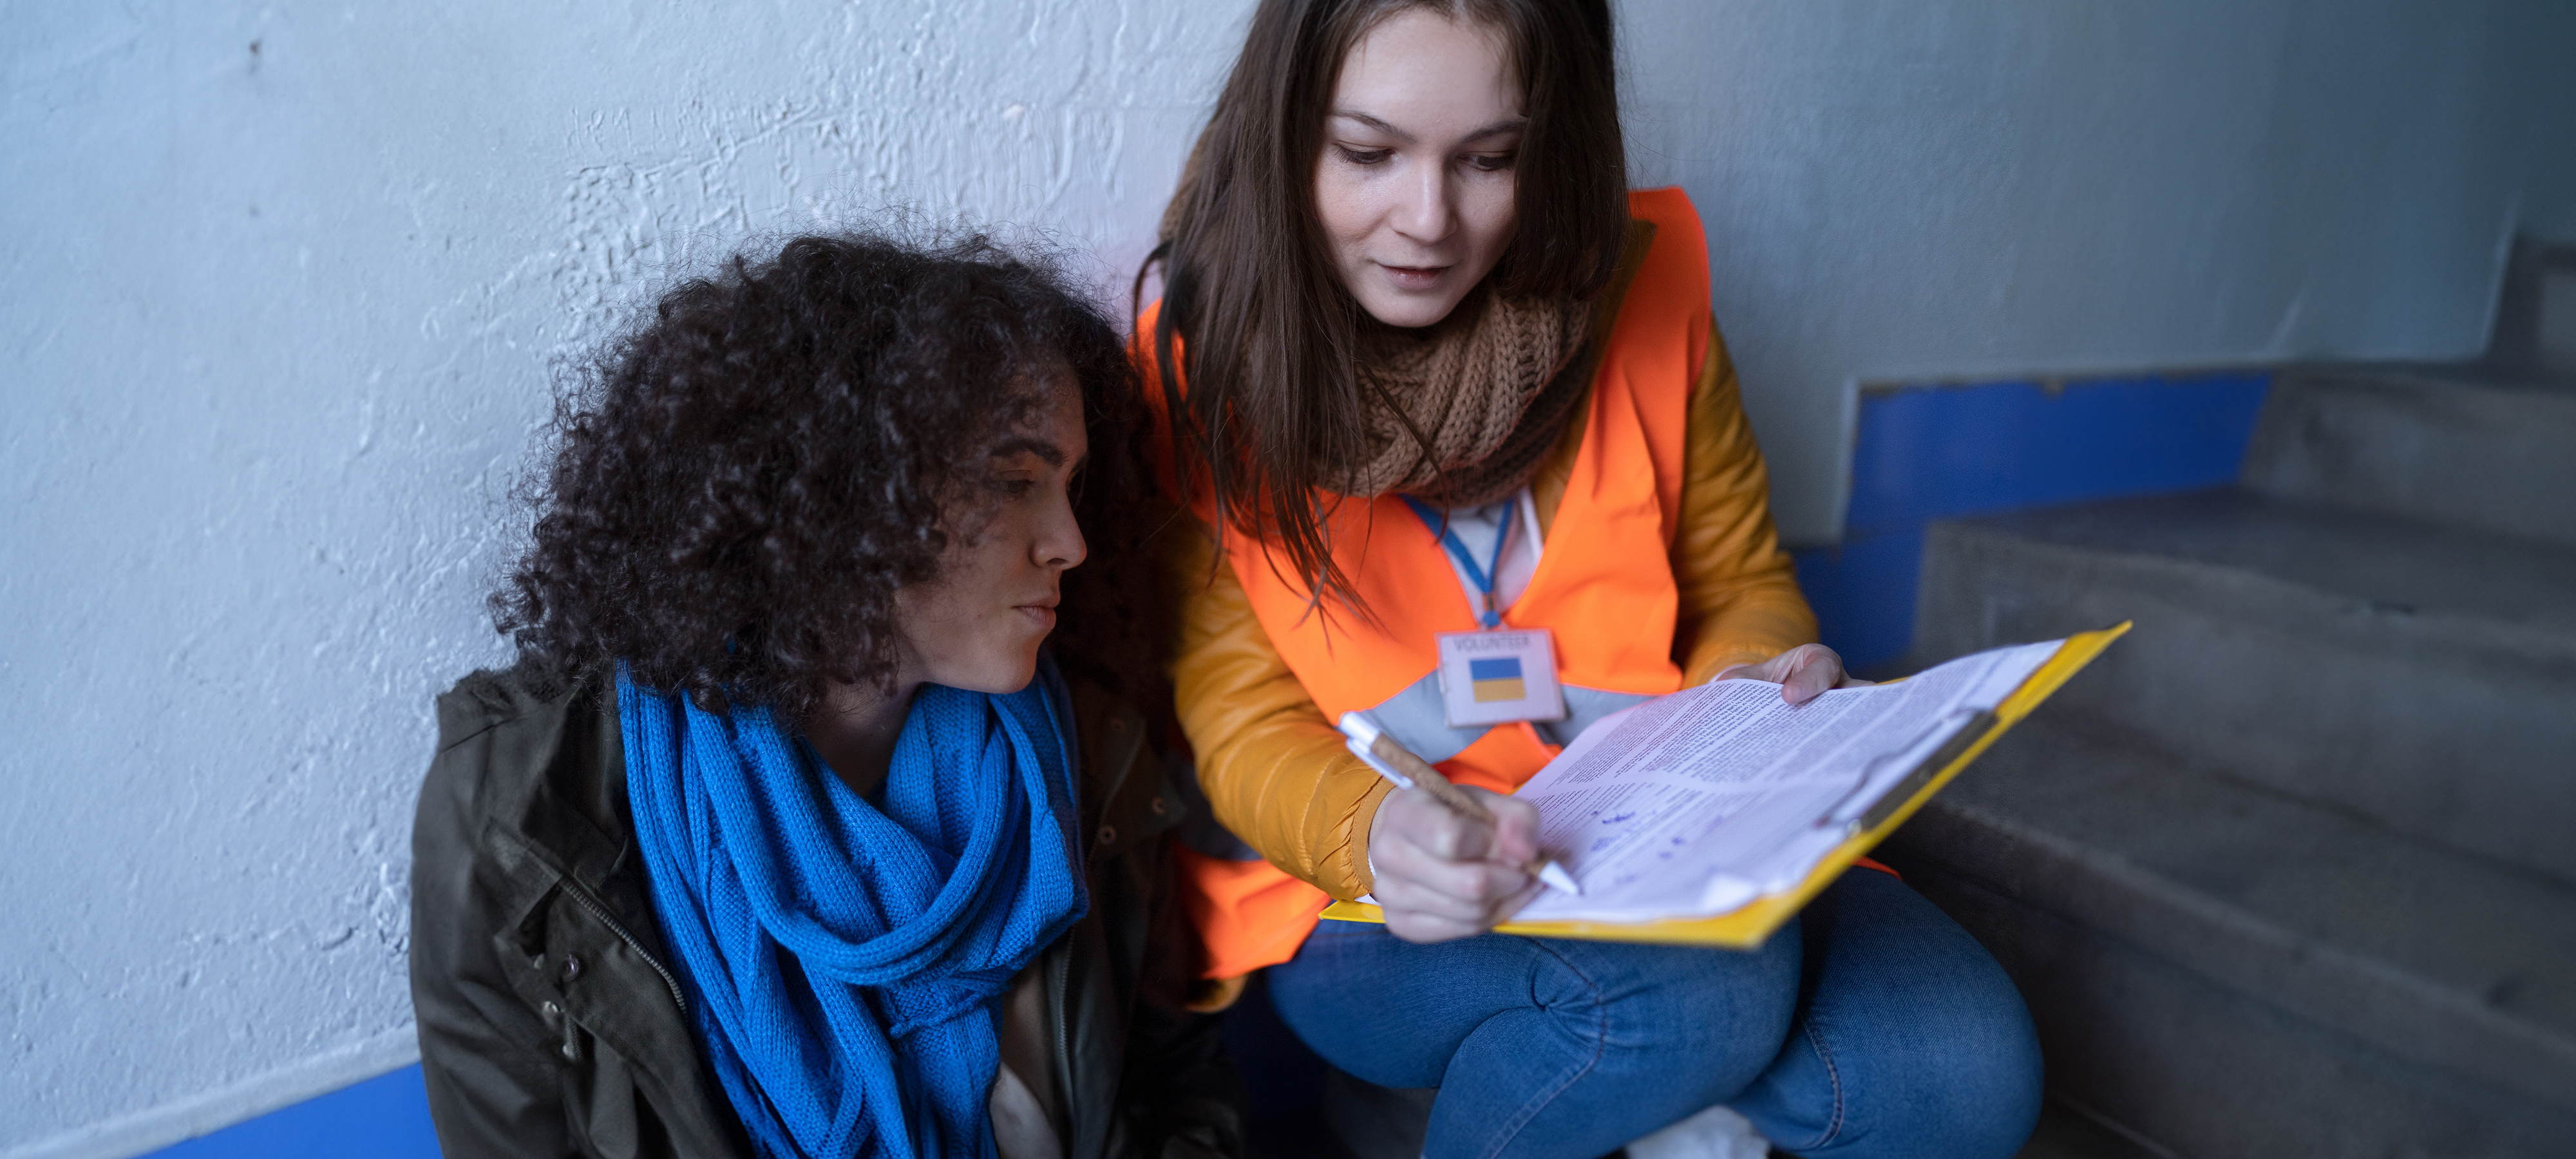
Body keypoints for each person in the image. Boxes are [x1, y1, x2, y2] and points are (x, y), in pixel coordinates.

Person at [1136, 2, 2043, 1156]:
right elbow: (1241, 721)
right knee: (1691, 995)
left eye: (1491, 160)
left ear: (1553, 145)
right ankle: (1594, 1090)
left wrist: (1756, 688)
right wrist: (1382, 837)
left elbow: (1742, 582)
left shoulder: (1643, 295)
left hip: (1678, 840)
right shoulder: (1197, 367)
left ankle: (1592, 1096)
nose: (1427, 221)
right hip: (1379, 889)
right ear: (1284, 134)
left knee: (1963, 1073)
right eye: (1366, 153)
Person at [410, 231, 1242, 1159]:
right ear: (846, 490)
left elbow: (1180, 1084)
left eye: (1072, 485)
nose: (1070, 543)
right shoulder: (524, 808)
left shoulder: (1090, 737)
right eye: (1014, 481)